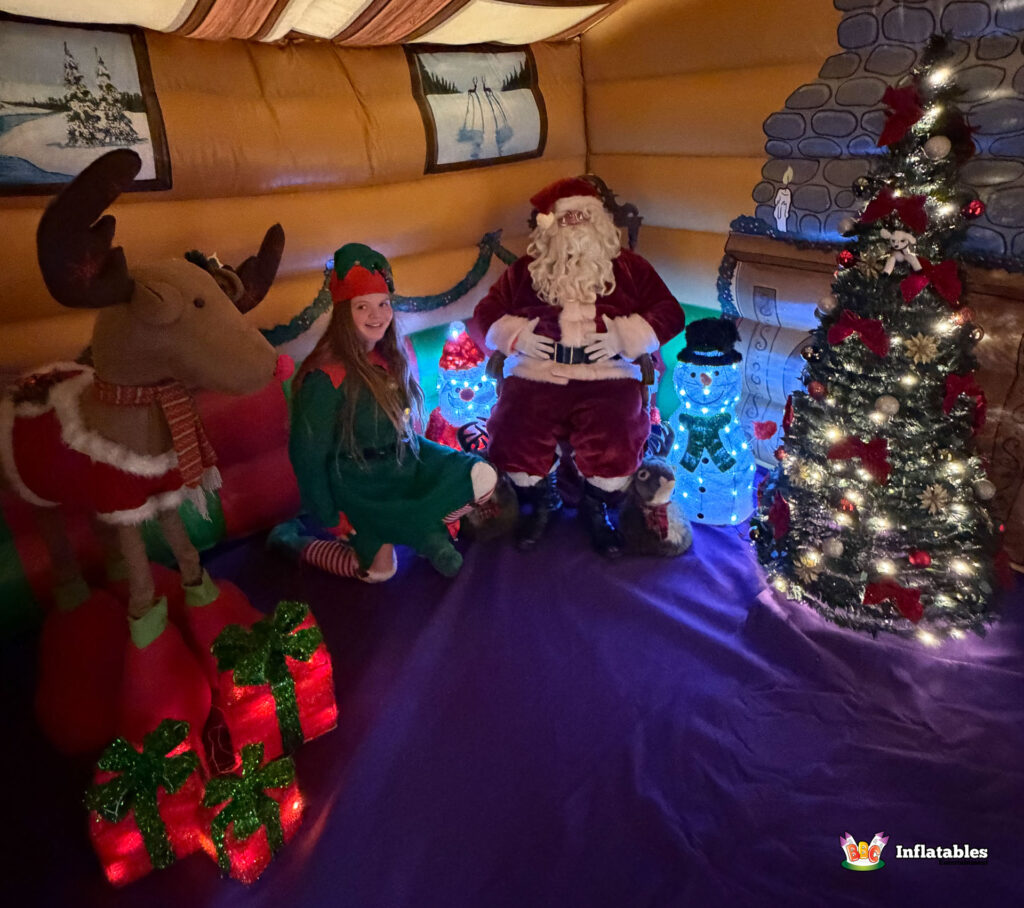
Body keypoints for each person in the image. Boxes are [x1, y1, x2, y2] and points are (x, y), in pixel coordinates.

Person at [474, 177, 686, 557]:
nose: (574, 227)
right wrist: (515, 337)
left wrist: (626, 337)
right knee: (514, 431)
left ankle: (595, 506)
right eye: (565, 219)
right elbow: (486, 313)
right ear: (549, 226)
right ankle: (544, 500)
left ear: (599, 221)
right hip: (538, 371)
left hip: (609, 374)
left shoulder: (631, 269)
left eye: (582, 217)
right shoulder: (526, 271)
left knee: (615, 437)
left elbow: (670, 312)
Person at [275, 243, 497, 580]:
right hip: (361, 484)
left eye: (383, 304)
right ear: (342, 312)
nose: (377, 315)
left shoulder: (388, 356)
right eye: (362, 306)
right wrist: (329, 515)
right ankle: (294, 543)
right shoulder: (325, 377)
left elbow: (405, 428)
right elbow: (307, 456)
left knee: (483, 478)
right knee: (379, 572)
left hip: (405, 460)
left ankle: (421, 528)